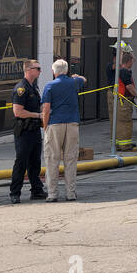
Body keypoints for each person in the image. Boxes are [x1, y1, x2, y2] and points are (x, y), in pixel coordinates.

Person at [41, 59, 85, 201]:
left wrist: (45, 126)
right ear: (66, 71)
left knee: (52, 159)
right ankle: (70, 193)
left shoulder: (50, 86)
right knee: (71, 159)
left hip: (55, 124)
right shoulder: (74, 82)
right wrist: (75, 77)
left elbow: (46, 109)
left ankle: (52, 193)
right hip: (72, 124)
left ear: (54, 72)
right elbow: (84, 79)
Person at [8, 60, 47, 204]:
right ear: (29, 70)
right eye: (38, 68)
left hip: (35, 129)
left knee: (35, 162)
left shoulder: (34, 87)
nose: (40, 71)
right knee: (21, 162)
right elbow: (18, 112)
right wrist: (38, 115)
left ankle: (36, 190)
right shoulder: (21, 89)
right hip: (24, 131)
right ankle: (15, 193)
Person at [112, 49, 137, 152]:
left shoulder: (121, 70)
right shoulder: (124, 71)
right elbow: (129, 86)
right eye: (132, 61)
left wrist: (128, 51)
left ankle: (120, 144)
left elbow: (131, 59)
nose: (133, 63)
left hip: (121, 100)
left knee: (120, 122)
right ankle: (125, 145)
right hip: (125, 100)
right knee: (126, 122)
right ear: (129, 61)